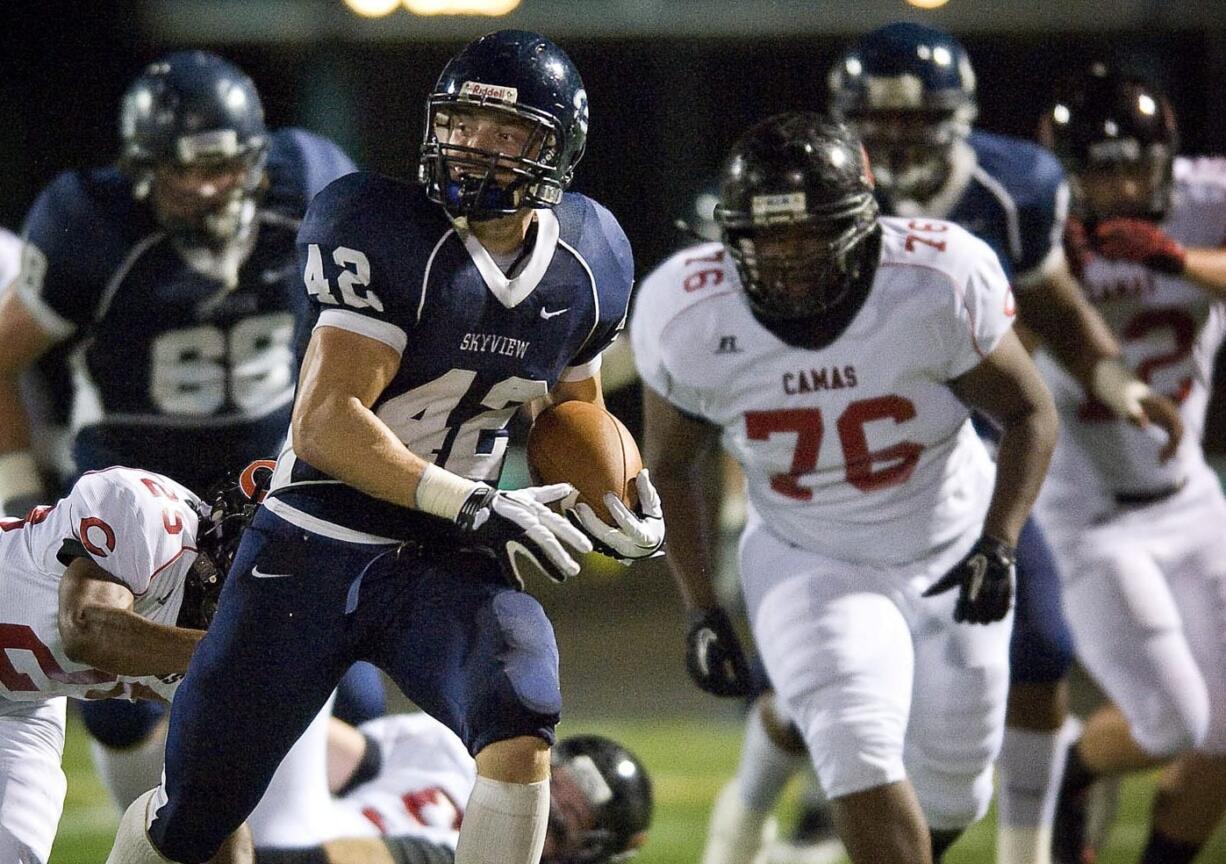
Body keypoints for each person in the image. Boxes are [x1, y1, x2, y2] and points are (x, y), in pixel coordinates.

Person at [106, 29, 664, 864]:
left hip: (447, 553)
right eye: (462, 124)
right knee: (195, 816)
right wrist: (473, 498)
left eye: (506, 134)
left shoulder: (595, 256)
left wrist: (619, 492)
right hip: (315, 540)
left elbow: (570, 405)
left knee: (522, 709)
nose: (474, 147)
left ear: (558, 151)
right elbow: (326, 422)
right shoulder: (379, 224)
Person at [633, 111, 1058, 864]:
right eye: (765, 237)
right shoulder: (688, 311)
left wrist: (1000, 539)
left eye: (806, 234)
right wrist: (699, 608)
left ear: (864, 225)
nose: (786, 257)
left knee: (958, 785)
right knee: (853, 739)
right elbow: (669, 466)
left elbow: (1028, 410)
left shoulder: (934, 281)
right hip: (809, 551)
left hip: (949, 540)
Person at [823, 25, 1187, 864]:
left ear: (959, 118)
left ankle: (1024, 851)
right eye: (876, 122)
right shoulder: (822, 187)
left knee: (1040, 645)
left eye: (915, 121)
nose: (895, 140)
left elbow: (1053, 304)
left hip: (984, 443)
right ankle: (788, 822)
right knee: (840, 676)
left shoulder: (1012, 185)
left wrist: (1115, 380)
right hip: (856, 458)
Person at [0, 49, 387, 810]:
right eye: (183, 171)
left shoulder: (308, 181)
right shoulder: (91, 225)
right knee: (117, 705)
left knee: (354, 689)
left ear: (255, 156)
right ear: (143, 167)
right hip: (137, 477)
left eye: (222, 166)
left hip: (271, 469)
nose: (206, 188)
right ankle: (155, 827)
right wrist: (17, 485)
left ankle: (324, 820)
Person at [1034, 66, 1226, 864]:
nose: (1117, 188)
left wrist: (1176, 258)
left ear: (1167, 160)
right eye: (1099, 170)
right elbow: (980, 331)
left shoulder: (1203, 197)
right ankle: (1072, 770)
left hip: (1189, 495)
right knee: (1175, 723)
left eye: (1132, 168)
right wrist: (1046, 283)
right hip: (1088, 517)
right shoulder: (1033, 218)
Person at [0, 463, 258, 864]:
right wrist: (227, 656)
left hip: (23, 702)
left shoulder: (235, 658)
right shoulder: (146, 512)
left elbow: (211, 810)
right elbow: (87, 629)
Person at [243, 708, 653, 864]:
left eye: (555, 827)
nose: (535, 811)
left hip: (283, 849)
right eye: (544, 791)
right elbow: (331, 751)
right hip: (288, 824)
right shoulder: (454, 753)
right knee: (344, 687)